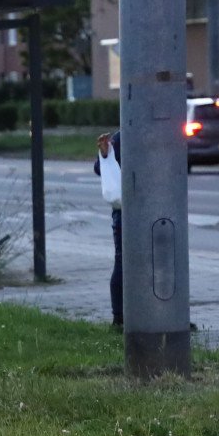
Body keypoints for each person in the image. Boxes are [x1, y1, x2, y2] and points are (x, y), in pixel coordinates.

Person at [94, 131, 123, 329]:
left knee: (123, 261)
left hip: (127, 212)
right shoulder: (122, 137)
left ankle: (119, 317)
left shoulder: (122, 135)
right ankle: (119, 316)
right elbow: (100, 167)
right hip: (128, 212)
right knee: (124, 261)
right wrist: (106, 155)